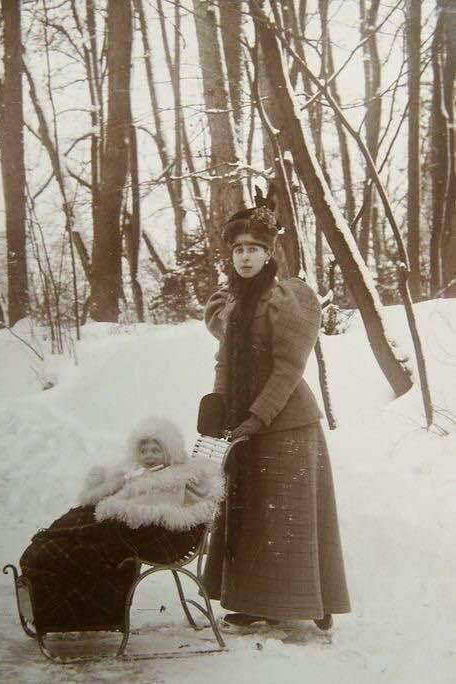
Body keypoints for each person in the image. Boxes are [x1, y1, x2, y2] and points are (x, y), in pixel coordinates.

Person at [201, 205, 351, 631]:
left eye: (254, 249)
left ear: (269, 254)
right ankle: (254, 603)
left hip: (288, 425)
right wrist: (218, 404)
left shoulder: (291, 297)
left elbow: (289, 368)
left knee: (289, 516)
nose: (245, 257)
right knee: (251, 519)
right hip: (244, 424)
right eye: (238, 250)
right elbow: (225, 362)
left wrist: (256, 417)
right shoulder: (233, 303)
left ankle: (313, 600)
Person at [19, 416, 223, 633]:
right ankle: (53, 599)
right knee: (76, 519)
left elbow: (152, 507)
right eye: (144, 452)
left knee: (69, 544)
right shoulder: (147, 474)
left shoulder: (172, 480)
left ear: (169, 452)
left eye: (155, 451)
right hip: (132, 528)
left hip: (151, 535)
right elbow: (130, 496)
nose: (149, 456)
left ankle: (63, 612)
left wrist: (116, 505)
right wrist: (106, 488)